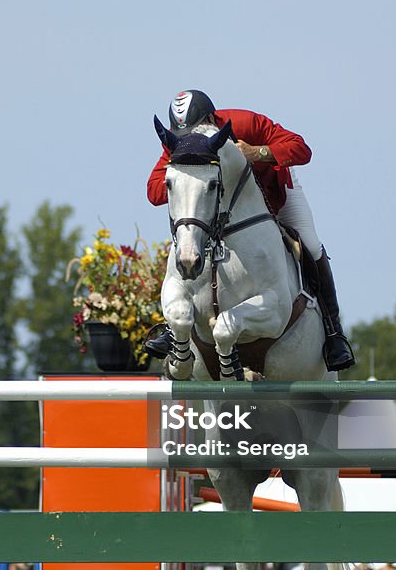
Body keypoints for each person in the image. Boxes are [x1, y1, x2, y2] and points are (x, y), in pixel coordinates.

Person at [146, 89, 355, 371]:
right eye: (186, 135)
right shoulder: (182, 143)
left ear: (211, 119)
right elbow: (154, 191)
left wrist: (258, 152)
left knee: (311, 243)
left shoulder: (244, 123)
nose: (192, 140)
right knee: (189, 242)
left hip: (275, 193)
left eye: (197, 131)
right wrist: (183, 175)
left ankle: (333, 331)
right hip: (220, 210)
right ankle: (176, 330)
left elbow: (301, 148)